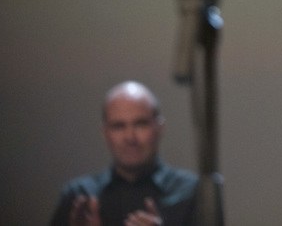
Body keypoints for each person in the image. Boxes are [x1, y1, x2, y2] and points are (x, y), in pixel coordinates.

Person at [49, 81, 198, 226]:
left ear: (160, 128)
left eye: (140, 124)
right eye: (118, 126)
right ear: (105, 133)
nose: (130, 137)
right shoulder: (79, 196)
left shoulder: (193, 193)